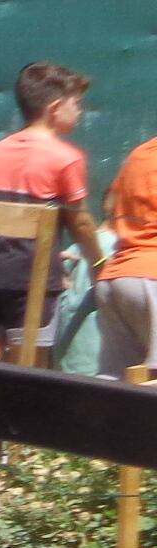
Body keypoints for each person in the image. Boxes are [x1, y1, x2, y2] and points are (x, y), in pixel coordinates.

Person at [0, 61, 103, 472]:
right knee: (32, 359)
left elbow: (11, 213)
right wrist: (99, 259)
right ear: (55, 106)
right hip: (30, 275)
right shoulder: (66, 157)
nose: (80, 112)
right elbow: (76, 219)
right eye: (77, 103)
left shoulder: (0, 149)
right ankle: (19, 449)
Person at [95, 132, 157, 377]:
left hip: (116, 280)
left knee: (115, 388)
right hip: (150, 281)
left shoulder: (140, 153)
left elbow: (110, 204)